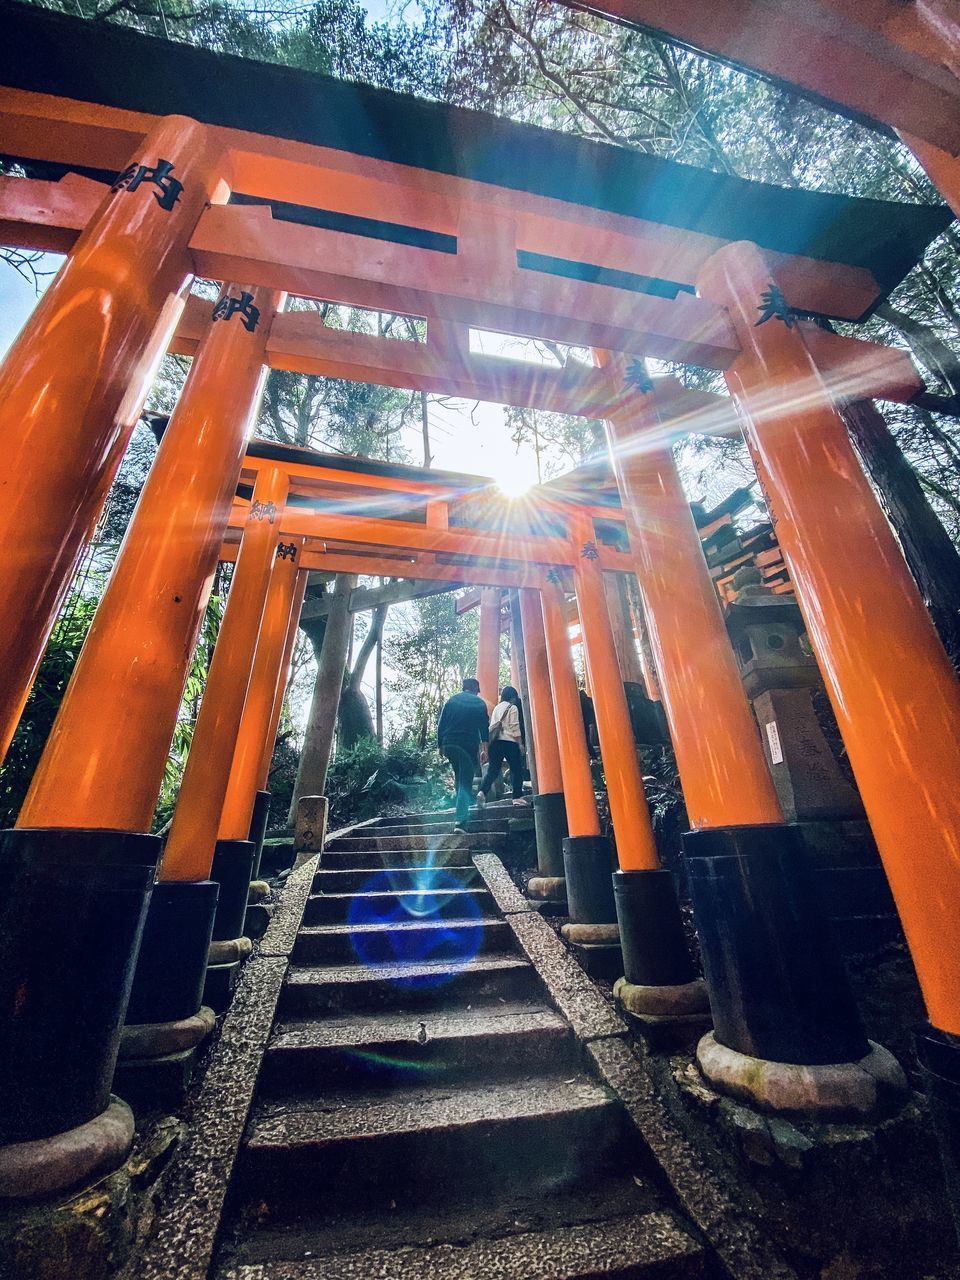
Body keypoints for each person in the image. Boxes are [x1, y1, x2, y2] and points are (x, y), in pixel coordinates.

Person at [437, 677, 489, 832]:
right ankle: (460, 822)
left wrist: (440, 745)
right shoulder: (478, 703)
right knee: (466, 781)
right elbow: (483, 728)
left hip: (450, 744)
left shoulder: (452, 700)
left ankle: (461, 809)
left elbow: (441, 724)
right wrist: (484, 749)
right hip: (467, 745)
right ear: (475, 689)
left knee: (460, 777)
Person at [478, 685, 527, 807]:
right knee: (516, 769)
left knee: (493, 771)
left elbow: (493, 725)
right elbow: (515, 727)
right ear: (513, 697)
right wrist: (520, 743)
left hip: (495, 743)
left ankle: (482, 792)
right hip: (509, 742)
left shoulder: (497, 708)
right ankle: (517, 797)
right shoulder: (513, 707)